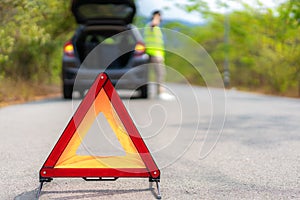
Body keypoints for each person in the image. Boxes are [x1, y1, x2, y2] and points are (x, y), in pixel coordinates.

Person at [144, 10, 174, 100]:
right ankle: (160, 93)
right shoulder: (151, 25)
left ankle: (157, 92)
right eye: (159, 16)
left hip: (154, 53)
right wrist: (156, 17)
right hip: (154, 54)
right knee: (161, 73)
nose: (160, 18)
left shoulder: (156, 28)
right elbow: (153, 23)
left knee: (156, 74)